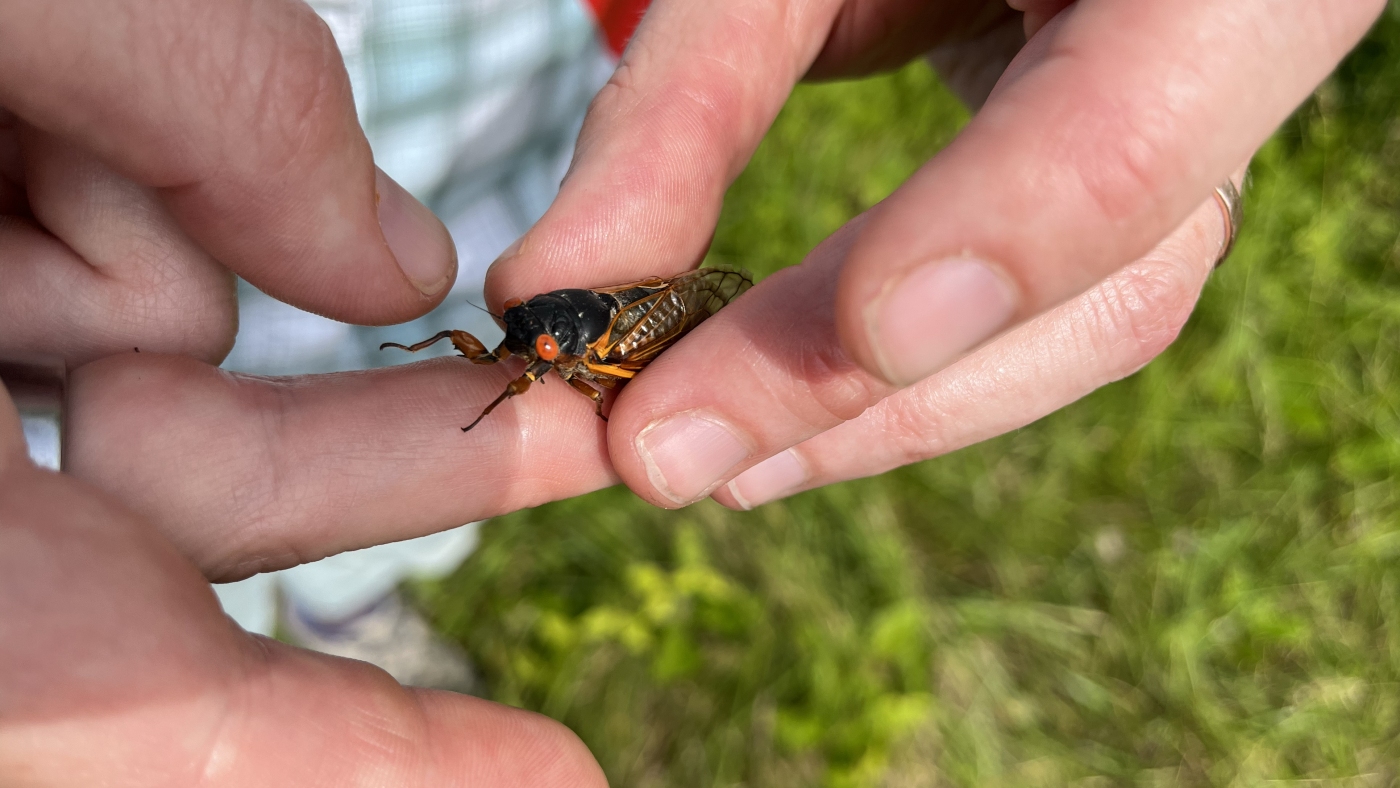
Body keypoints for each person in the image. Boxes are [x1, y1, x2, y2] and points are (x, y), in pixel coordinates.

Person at [0, 0, 1381, 784]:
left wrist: (578, 347)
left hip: (517, 103)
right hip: (117, 239)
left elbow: (560, 348)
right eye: (530, 366)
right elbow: (510, 365)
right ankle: (263, 601)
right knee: (209, 468)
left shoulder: (556, 345)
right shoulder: (523, 360)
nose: (527, 377)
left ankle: (362, 601)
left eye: (534, 366)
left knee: (418, 448)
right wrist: (520, 359)